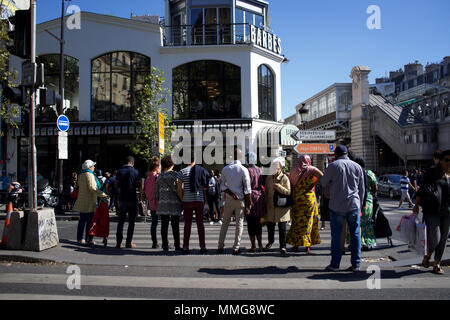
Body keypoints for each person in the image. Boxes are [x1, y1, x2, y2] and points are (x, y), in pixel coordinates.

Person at [320, 145, 365, 272]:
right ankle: (356, 264)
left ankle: (335, 264)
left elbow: (323, 182)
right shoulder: (357, 167)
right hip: (353, 204)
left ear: (336, 155)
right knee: (355, 234)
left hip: (337, 205)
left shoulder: (333, 166)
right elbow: (362, 189)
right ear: (347, 154)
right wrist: (360, 205)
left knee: (337, 235)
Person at [413, 149, 450, 275]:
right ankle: (428, 255)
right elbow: (421, 190)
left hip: (447, 211)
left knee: (444, 238)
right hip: (432, 210)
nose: (449, 163)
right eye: (447, 160)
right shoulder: (432, 172)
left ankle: (436, 264)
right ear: (441, 160)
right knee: (435, 237)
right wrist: (416, 205)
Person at [217, 147, 252, 255]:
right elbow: (247, 189)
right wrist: (249, 205)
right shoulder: (243, 169)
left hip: (229, 199)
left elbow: (222, 186)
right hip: (240, 200)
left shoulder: (225, 169)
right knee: (239, 224)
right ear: (241, 157)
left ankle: (220, 245)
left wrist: (231, 194)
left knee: (225, 223)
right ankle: (236, 247)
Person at [286, 154, 322, 254]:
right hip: (308, 199)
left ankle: (296, 245)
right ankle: (307, 245)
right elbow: (322, 176)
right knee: (309, 222)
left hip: (297, 199)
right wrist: (313, 184)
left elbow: (291, 185)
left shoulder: (293, 170)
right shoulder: (311, 169)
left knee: (297, 222)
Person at [179, 154, 209, 254]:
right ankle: (203, 246)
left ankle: (185, 246)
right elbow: (205, 186)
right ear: (195, 160)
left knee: (187, 224)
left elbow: (179, 188)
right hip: (199, 200)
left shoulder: (182, 172)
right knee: (200, 223)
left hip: (187, 201)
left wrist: (182, 198)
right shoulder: (201, 170)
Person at [73, 160, 107, 246]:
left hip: (82, 201)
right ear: (89, 167)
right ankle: (89, 239)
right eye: (93, 166)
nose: (94, 167)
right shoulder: (90, 175)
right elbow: (92, 188)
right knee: (90, 222)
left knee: (82, 221)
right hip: (89, 201)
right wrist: (102, 194)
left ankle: (79, 238)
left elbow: (77, 186)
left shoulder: (80, 175)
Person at [154, 156, 183, 252]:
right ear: (172, 164)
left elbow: (156, 192)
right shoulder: (176, 175)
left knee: (164, 225)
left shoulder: (160, 176)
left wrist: (159, 199)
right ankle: (177, 245)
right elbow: (179, 189)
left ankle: (165, 245)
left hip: (163, 203)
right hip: (174, 203)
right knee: (175, 225)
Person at [264, 157, 291, 255]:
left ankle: (283, 246)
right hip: (271, 206)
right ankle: (270, 241)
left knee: (282, 228)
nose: (275, 170)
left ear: (280, 169)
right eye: (273, 168)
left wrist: (279, 187)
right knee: (270, 226)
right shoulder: (269, 178)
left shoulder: (284, 178)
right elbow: (266, 192)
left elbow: (288, 192)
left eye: (277, 168)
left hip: (282, 207)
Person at [115, 156, 140, 249]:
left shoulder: (119, 171)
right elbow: (138, 185)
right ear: (132, 163)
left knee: (120, 221)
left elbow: (116, 185)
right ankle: (128, 242)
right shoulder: (136, 172)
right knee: (131, 222)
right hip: (132, 198)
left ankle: (118, 242)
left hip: (122, 198)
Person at [354, 157, 377, 251]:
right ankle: (369, 242)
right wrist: (371, 193)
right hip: (368, 200)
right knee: (367, 223)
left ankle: (358, 242)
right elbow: (375, 187)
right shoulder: (369, 173)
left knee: (357, 223)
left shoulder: (355, 173)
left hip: (356, 200)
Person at [245, 152, 265, 253]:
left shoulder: (248, 171)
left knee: (250, 223)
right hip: (260, 197)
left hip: (251, 196)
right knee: (258, 223)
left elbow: (246, 187)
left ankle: (253, 246)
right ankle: (260, 245)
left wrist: (247, 204)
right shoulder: (260, 170)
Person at [143, 157, 161, 249]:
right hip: (159, 204)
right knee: (163, 224)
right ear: (157, 167)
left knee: (154, 224)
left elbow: (145, 191)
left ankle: (154, 242)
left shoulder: (147, 178)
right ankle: (165, 242)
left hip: (152, 204)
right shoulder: (157, 177)